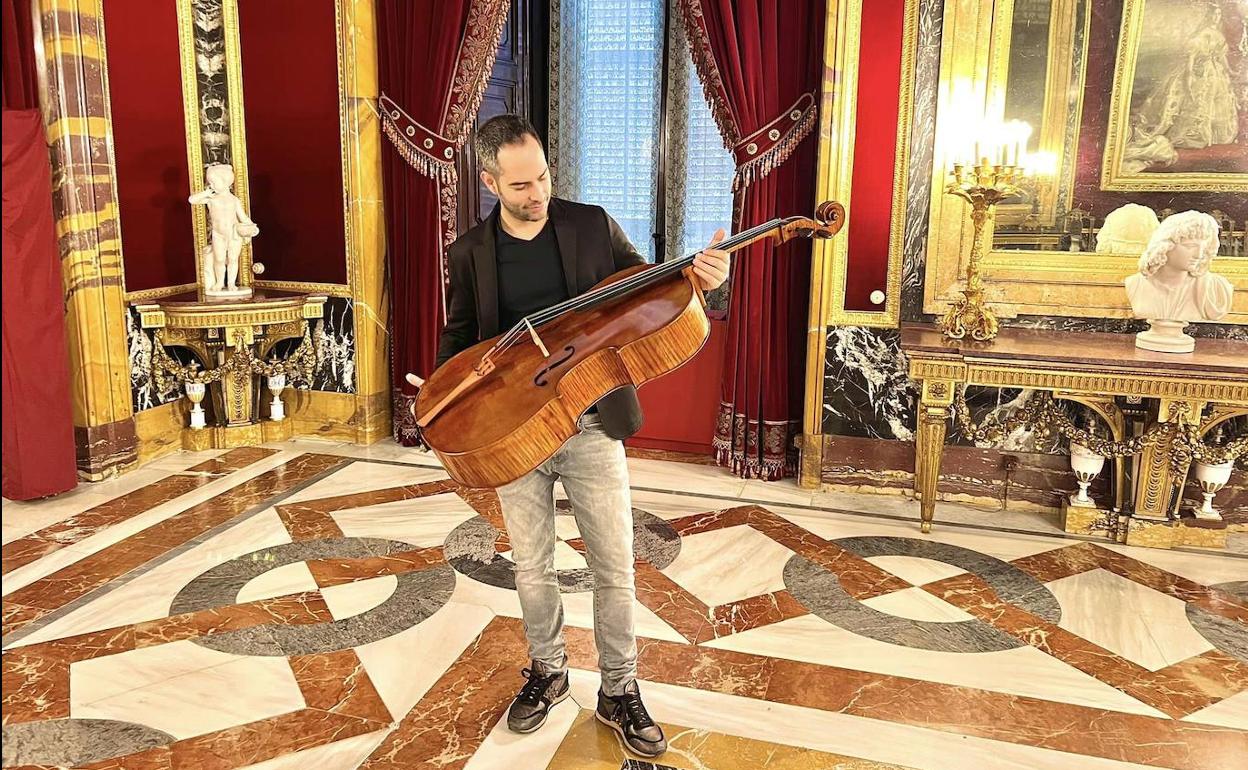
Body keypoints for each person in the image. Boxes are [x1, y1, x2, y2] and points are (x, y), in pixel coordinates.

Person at [409, 114, 729, 758]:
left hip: (590, 424)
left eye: (544, 177)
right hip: (517, 432)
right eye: (522, 185)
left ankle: (619, 689)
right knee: (532, 566)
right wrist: (439, 401)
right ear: (491, 182)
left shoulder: (589, 224)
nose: (538, 194)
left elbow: (645, 286)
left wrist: (696, 276)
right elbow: (462, 337)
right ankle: (548, 671)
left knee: (614, 567)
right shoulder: (470, 252)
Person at [1125, 210, 1232, 322]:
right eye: (1190, 246)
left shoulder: (1215, 288)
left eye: (1203, 248)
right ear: (1165, 246)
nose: (1199, 255)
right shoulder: (1135, 284)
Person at [188, 164, 258, 294]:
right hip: (218, 234)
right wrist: (205, 193)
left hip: (233, 234)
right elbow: (192, 200)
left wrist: (252, 228)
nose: (212, 185)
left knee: (232, 259)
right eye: (210, 183)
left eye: (214, 182)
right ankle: (220, 282)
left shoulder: (234, 200)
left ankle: (231, 283)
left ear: (226, 182)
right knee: (219, 259)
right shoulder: (211, 199)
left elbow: (243, 217)